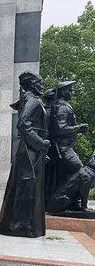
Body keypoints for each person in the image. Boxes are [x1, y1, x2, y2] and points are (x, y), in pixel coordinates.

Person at [0, 72, 49, 238]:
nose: (42, 86)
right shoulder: (33, 101)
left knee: (25, 186)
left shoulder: (29, 99)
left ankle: (17, 225)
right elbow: (24, 125)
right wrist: (41, 143)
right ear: (32, 84)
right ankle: (21, 226)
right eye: (40, 83)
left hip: (30, 150)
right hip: (29, 151)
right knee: (27, 186)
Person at [44, 81, 89, 209]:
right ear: (63, 92)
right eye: (69, 90)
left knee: (67, 176)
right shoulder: (62, 107)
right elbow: (60, 128)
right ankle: (66, 201)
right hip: (63, 148)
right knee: (81, 171)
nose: (72, 92)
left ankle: (72, 202)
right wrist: (79, 127)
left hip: (66, 147)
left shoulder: (63, 105)